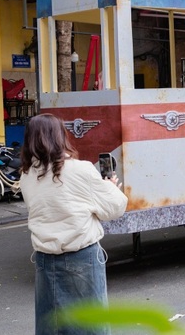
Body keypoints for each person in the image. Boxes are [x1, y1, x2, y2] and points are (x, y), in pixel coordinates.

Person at [19, 114, 128, 335]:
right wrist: (111, 188)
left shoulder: (26, 175)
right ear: (59, 137)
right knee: (91, 325)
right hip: (81, 258)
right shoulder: (81, 170)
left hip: (44, 259)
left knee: (52, 325)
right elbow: (115, 208)